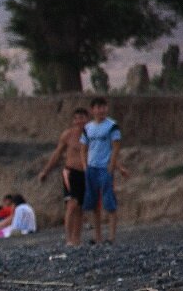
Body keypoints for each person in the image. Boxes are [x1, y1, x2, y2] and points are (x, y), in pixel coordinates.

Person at [38, 107, 89, 246]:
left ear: (86, 119)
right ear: (73, 120)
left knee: (80, 207)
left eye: (82, 118)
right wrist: (45, 171)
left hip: (84, 173)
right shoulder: (68, 135)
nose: (79, 121)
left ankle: (77, 238)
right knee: (71, 205)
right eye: (77, 118)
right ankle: (68, 239)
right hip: (70, 172)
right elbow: (57, 154)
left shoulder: (90, 135)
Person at [79, 97, 122, 245]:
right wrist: (85, 165)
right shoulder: (88, 128)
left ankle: (111, 237)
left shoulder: (112, 126)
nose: (101, 110)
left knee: (109, 201)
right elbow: (83, 148)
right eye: (98, 107)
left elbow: (116, 147)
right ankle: (98, 237)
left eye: (103, 107)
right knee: (93, 203)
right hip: (91, 168)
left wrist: (112, 165)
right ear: (92, 110)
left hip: (105, 168)